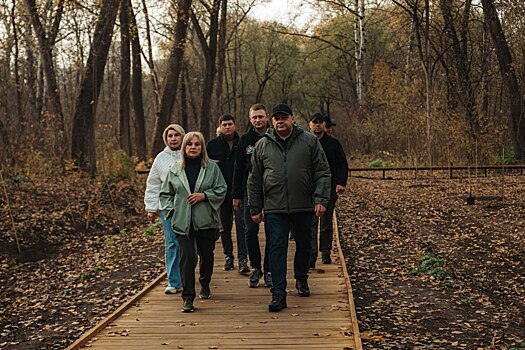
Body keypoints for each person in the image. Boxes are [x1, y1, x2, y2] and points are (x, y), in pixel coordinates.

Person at [248, 103, 331, 312]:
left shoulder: (309, 141)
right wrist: (255, 207)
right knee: (276, 247)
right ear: (271, 120)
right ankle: (278, 293)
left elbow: (322, 171)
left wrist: (320, 199)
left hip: (303, 205)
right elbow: (254, 178)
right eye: (276, 118)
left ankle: (301, 278)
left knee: (304, 244)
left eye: (284, 117)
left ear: (292, 119)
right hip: (274, 207)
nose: (280, 121)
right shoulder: (262, 145)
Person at [160, 132, 227, 313]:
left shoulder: (211, 168)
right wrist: (172, 212)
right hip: (182, 223)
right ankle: (188, 298)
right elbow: (165, 194)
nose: (193, 147)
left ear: (202, 147)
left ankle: (205, 283)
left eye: (197, 144)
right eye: (189, 144)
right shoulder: (175, 169)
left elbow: (222, 189)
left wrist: (204, 196)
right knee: (187, 258)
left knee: (206, 256)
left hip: (205, 221)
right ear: (184, 147)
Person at [232, 104, 272, 288]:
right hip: (250, 190)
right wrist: (236, 195)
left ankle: (269, 269)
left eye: (260, 117)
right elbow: (238, 168)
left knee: (273, 231)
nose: (258, 120)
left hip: (272, 190)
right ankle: (256, 267)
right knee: (250, 230)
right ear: (250, 119)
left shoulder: (275, 136)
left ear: (267, 117)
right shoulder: (245, 140)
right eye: (254, 117)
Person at [144, 124, 186, 295]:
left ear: (182, 137)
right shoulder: (161, 158)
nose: (173, 138)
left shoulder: (190, 153)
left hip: (188, 206)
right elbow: (153, 183)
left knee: (190, 244)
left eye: (176, 135)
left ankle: (187, 275)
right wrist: (151, 208)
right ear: (166, 138)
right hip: (167, 207)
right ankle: (174, 281)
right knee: (172, 243)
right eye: (170, 136)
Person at [207, 114, 249, 274]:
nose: (227, 127)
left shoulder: (243, 143)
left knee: (241, 225)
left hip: (239, 191)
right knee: (224, 227)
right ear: (220, 126)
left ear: (234, 125)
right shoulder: (212, 145)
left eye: (230, 124)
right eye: (224, 124)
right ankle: (228, 256)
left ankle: (243, 259)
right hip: (220, 193)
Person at [308, 113, 348, 267]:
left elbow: (342, 164)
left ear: (324, 125)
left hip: (329, 186)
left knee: (326, 219)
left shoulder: (334, 144)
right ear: (309, 124)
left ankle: (325, 251)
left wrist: (341, 182)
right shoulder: (305, 142)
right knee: (310, 221)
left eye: (320, 122)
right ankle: (311, 254)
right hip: (309, 187)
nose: (317, 125)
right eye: (315, 122)